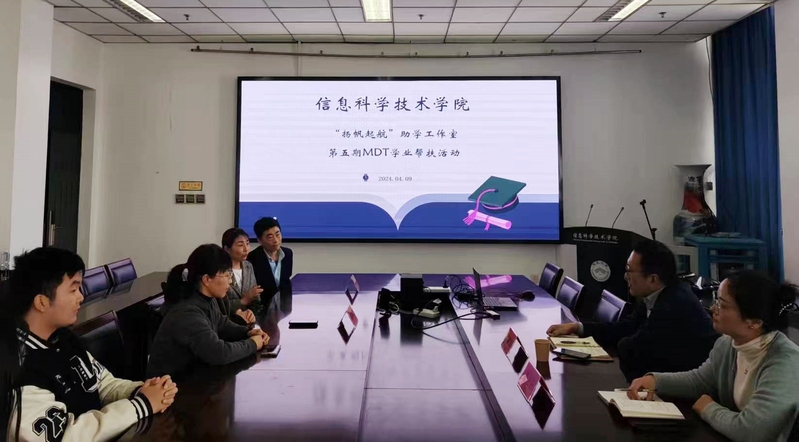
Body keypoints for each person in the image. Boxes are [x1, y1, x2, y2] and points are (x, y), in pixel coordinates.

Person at [0, 247, 177, 442]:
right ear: (42, 302)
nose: (81, 297)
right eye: (73, 290)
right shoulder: (17, 366)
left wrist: (142, 391)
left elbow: (102, 384)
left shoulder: (63, 339)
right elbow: (66, 435)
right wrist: (140, 405)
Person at [628, 270, 799, 442]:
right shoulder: (728, 344)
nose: (712, 309)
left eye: (722, 305)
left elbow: (751, 432)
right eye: (716, 301)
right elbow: (701, 381)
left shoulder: (784, 363)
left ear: (754, 322)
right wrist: (655, 381)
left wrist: (708, 408)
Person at [547, 239, 718, 381]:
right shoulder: (660, 294)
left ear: (652, 279)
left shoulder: (674, 304)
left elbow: (633, 348)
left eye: (629, 271)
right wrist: (577, 327)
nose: (625, 277)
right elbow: (626, 327)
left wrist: (622, 341)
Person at [147, 244, 268, 379]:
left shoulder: (206, 299)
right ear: (206, 279)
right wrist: (253, 344)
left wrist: (247, 332)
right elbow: (219, 353)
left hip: (193, 376)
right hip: (170, 385)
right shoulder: (187, 312)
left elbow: (222, 324)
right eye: (227, 275)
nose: (230, 281)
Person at [248, 217, 293, 313]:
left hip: (284, 308)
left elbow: (286, 283)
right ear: (259, 240)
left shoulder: (288, 254)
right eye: (270, 237)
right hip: (263, 310)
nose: (276, 240)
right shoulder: (252, 258)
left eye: (277, 234)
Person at [221, 228, 262, 321]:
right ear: (227, 249)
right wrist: (243, 301)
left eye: (247, 244)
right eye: (240, 245)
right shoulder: (220, 270)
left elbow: (256, 298)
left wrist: (251, 313)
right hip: (227, 321)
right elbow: (218, 305)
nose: (246, 249)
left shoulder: (248, 266)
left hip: (249, 320)